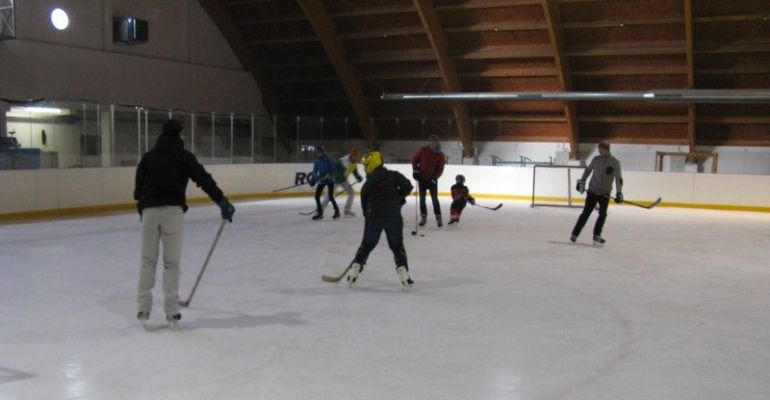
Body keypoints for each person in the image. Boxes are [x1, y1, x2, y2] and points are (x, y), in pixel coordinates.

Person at [134, 119, 235, 328]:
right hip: (173, 213)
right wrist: (222, 201)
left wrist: (143, 208)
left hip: (150, 213)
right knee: (171, 264)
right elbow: (204, 179)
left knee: (147, 261)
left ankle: (143, 309)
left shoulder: (148, 158)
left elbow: (138, 190)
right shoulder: (184, 157)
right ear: (179, 136)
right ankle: (172, 313)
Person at [346, 151, 415, 288]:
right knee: (397, 246)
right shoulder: (394, 176)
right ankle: (403, 271)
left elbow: (364, 203)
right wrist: (398, 199)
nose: (365, 169)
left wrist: (369, 216)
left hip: (374, 218)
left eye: (366, 166)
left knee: (367, 245)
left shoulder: (368, 183)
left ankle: (355, 267)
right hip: (393, 217)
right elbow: (408, 187)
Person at [570, 141, 623, 244]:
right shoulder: (596, 160)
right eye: (599, 149)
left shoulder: (615, 162)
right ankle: (574, 234)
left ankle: (596, 235)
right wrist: (582, 181)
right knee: (586, 213)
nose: (599, 151)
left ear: (606, 149)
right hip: (592, 191)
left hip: (605, 193)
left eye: (601, 149)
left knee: (602, 215)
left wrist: (619, 192)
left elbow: (618, 179)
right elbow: (588, 171)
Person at [411, 134, 445, 227]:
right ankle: (423, 217)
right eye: (431, 141)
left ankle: (438, 217)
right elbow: (414, 159)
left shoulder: (440, 154)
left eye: (435, 142)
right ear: (429, 142)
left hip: (432, 180)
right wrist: (415, 170)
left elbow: (440, 168)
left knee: (434, 199)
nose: (433, 143)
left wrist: (434, 178)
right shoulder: (423, 150)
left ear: (437, 143)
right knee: (422, 200)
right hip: (422, 179)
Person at [320, 148, 363, 217]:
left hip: (344, 181)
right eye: (354, 156)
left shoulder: (353, 163)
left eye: (356, 157)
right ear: (351, 155)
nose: (355, 158)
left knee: (351, 193)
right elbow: (332, 167)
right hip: (335, 181)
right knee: (328, 195)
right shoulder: (341, 161)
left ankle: (347, 210)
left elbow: (355, 172)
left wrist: (358, 177)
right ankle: (320, 210)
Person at [311, 145, 340, 220]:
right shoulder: (317, 161)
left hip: (330, 180)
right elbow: (314, 171)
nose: (318, 154)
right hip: (322, 180)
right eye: (317, 152)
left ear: (322, 152)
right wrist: (314, 178)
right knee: (317, 196)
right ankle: (320, 213)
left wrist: (330, 175)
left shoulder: (328, 159)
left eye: (319, 152)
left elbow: (333, 169)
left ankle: (337, 211)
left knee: (330, 196)